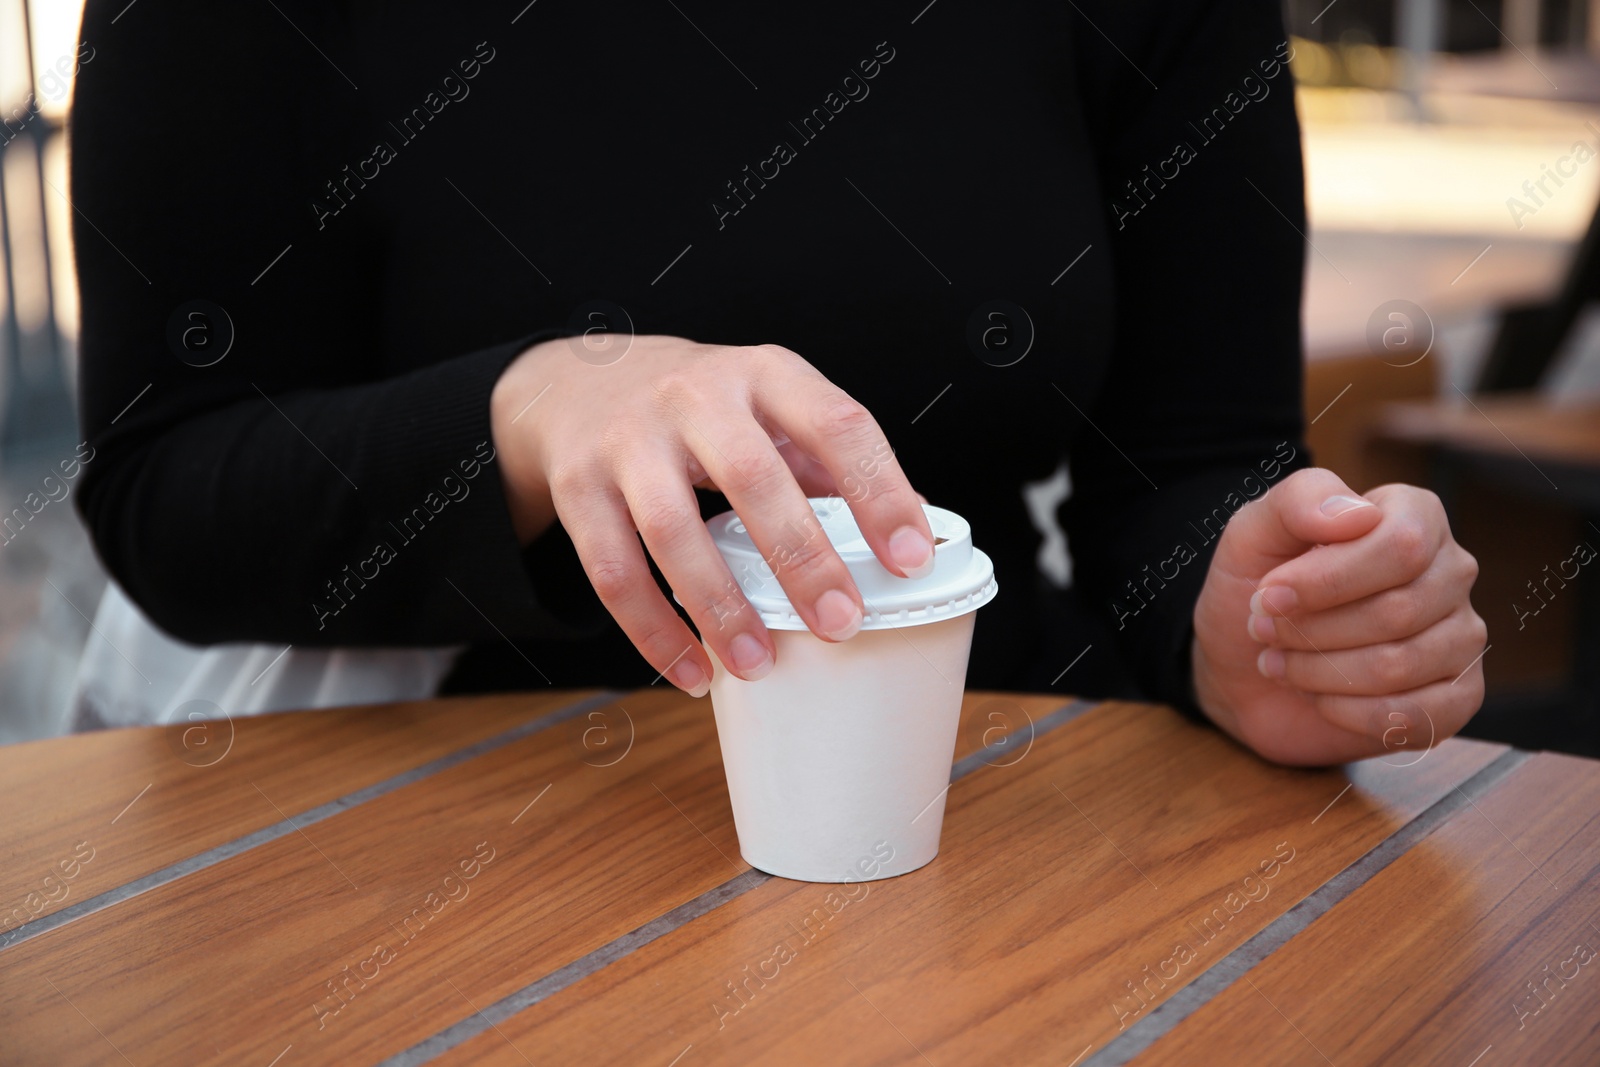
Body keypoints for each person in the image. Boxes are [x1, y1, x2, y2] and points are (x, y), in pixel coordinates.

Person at [68, 0, 1484, 764]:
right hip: (420, 826)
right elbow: (168, 489)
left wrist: (1246, 624)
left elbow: (1191, 460)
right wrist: (527, 409)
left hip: (1000, 807)